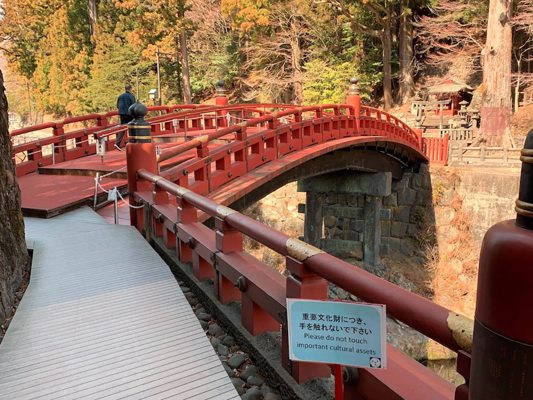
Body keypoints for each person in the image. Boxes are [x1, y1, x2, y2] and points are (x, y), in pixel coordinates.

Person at [115, 84, 136, 149]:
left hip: (122, 114)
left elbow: (118, 106)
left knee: (123, 128)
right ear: (130, 89)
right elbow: (133, 106)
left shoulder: (120, 96)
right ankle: (132, 141)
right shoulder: (131, 96)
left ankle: (117, 143)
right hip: (129, 114)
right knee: (132, 127)